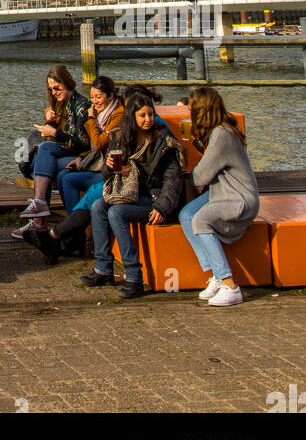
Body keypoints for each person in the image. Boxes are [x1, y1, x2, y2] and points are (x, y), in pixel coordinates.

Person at [80, 91, 184, 299]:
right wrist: (109, 167)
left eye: (150, 115)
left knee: (116, 213)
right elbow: (108, 175)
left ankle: (134, 276)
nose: (148, 120)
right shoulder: (121, 137)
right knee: (98, 206)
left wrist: (162, 207)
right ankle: (103, 269)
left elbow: (173, 180)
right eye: (142, 116)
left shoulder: (163, 140)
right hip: (131, 194)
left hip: (154, 200)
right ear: (132, 118)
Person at [178, 86, 260, 307]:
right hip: (222, 192)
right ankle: (215, 275)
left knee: (200, 220)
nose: (188, 111)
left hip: (238, 198)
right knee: (187, 214)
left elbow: (201, 175)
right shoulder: (220, 130)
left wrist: (187, 174)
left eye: (191, 107)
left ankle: (230, 285)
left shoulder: (222, 134)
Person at [19, 65, 90, 232]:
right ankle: (39, 209)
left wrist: (56, 133)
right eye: (51, 89)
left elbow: (83, 144)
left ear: (67, 83)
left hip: (81, 155)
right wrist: (49, 119)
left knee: (43, 154)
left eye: (57, 88)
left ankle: (39, 215)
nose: (54, 92)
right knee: (44, 155)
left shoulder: (81, 106)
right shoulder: (60, 104)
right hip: (66, 152)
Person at [57, 76, 123, 215]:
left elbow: (99, 144)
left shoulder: (118, 115)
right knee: (61, 175)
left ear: (110, 96)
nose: (94, 102)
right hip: (98, 161)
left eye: (98, 97)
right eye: (92, 97)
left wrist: (91, 118)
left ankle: (74, 226)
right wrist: (81, 158)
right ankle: (72, 223)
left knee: (69, 180)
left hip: (108, 169)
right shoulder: (102, 114)